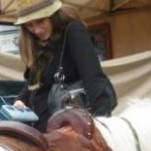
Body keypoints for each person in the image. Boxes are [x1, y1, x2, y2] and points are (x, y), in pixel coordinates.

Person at [13, 0, 117, 132]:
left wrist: (101, 123)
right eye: (29, 25)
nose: (36, 30)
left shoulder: (73, 30)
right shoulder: (37, 43)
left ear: (53, 15)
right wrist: (21, 100)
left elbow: (93, 76)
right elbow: (34, 82)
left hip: (67, 132)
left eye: (40, 21)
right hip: (39, 130)